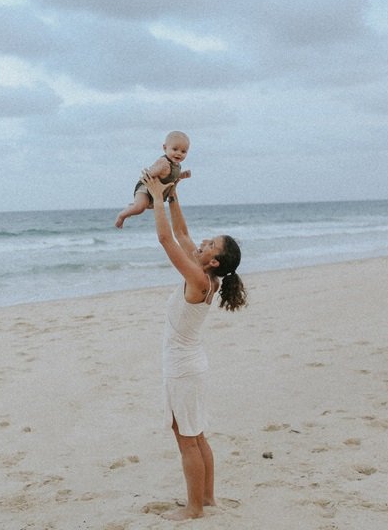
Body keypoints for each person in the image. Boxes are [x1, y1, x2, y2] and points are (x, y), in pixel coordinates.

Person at [140, 170, 247, 520]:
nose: (202, 242)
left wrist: (155, 199)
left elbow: (166, 240)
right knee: (196, 435)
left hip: (183, 368)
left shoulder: (199, 279)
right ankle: (209, 499)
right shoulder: (208, 277)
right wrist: (173, 195)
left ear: (214, 261)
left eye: (210, 245)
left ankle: (194, 508)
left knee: (187, 439)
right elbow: (183, 234)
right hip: (190, 364)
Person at [115, 131, 192, 228]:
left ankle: (133, 207)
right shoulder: (163, 162)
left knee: (150, 206)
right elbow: (150, 175)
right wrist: (153, 171)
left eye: (183, 151)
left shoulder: (177, 165)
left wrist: (182, 175)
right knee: (140, 207)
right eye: (175, 149)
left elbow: (171, 176)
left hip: (155, 192)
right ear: (165, 148)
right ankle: (121, 216)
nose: (179, 153)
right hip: (146, 188)